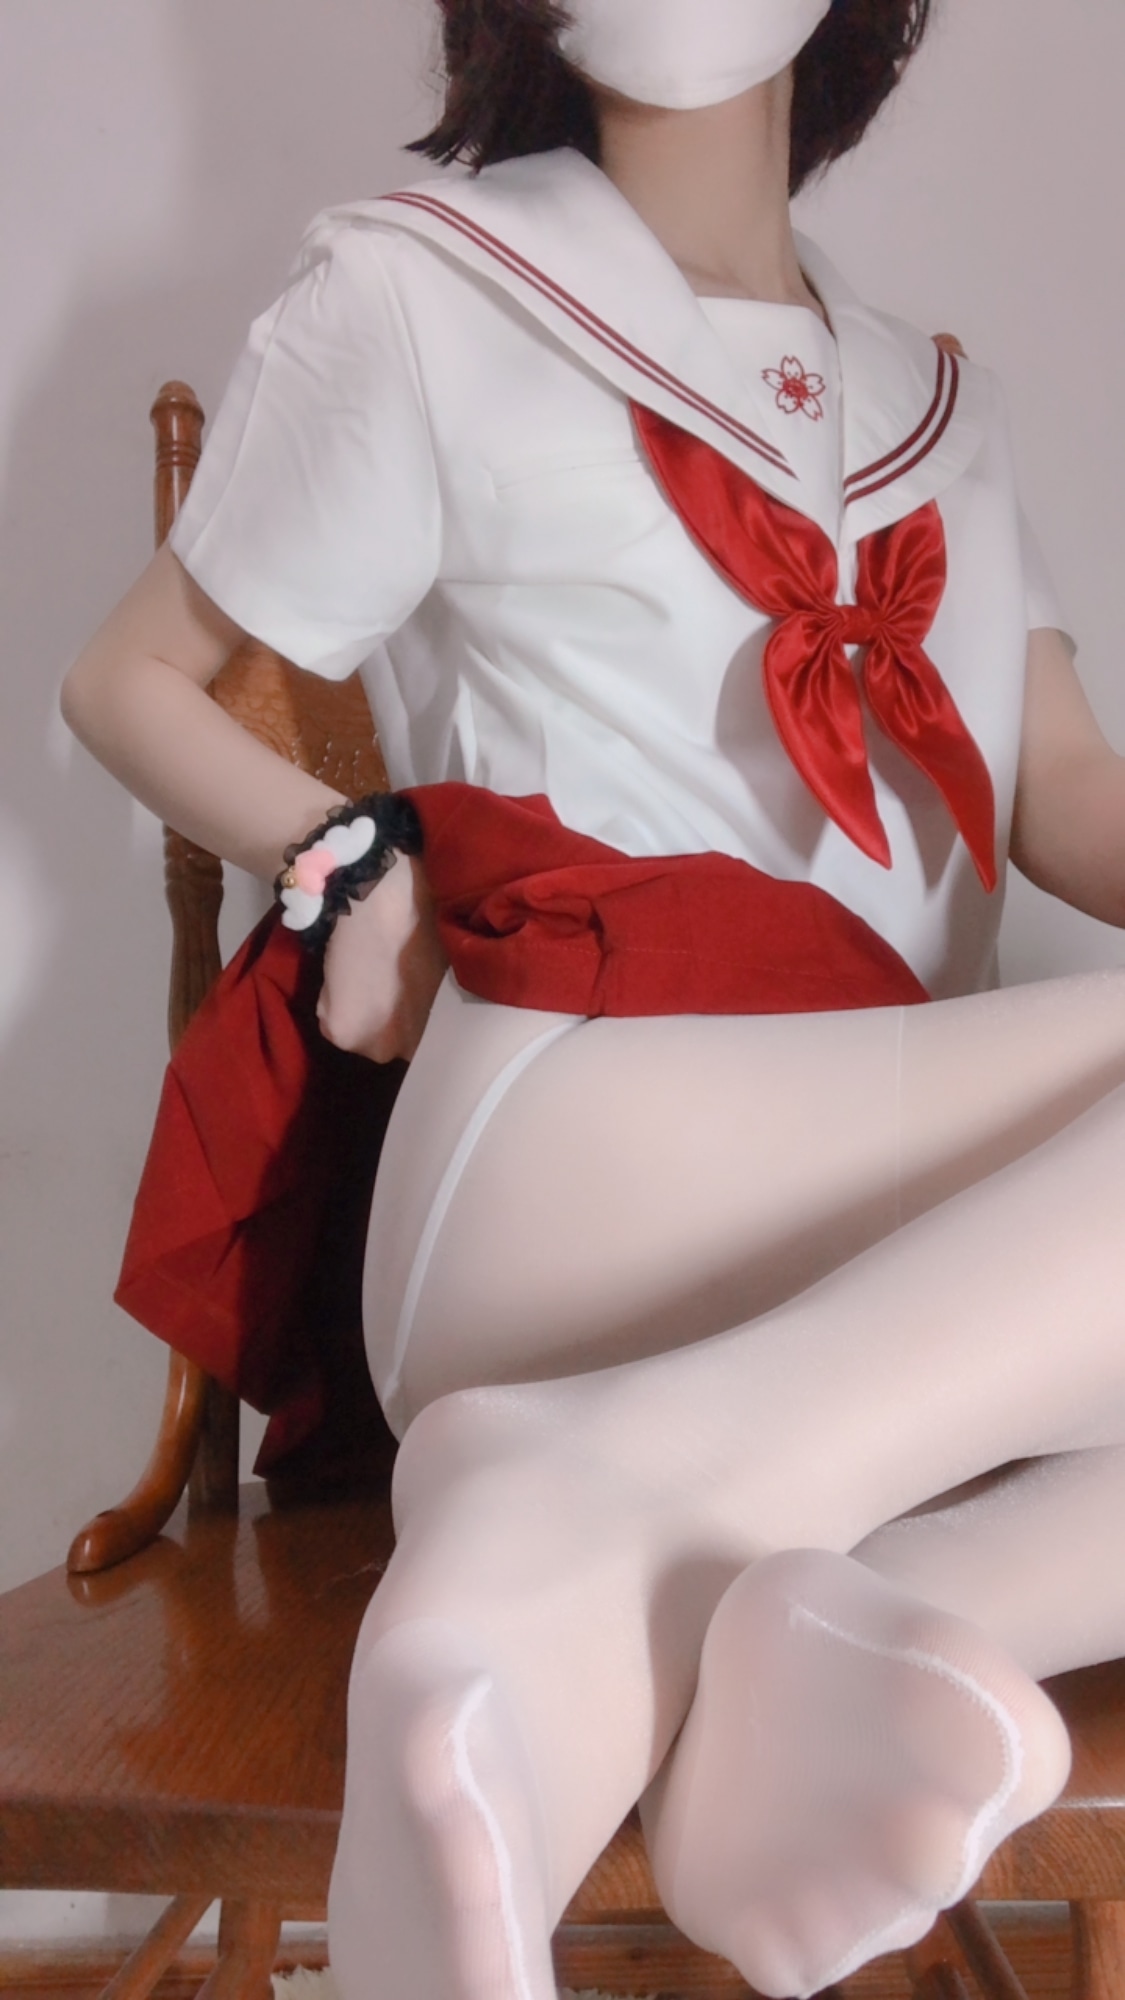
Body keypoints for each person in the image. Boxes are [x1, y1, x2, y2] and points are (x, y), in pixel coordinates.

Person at [61, 1, 1125, 1994]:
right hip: (579, 1123)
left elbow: (1059, 786)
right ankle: (657, 1508)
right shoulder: (426, 288)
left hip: (879, 1231)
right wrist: (344, 857)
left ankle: (659, 1634)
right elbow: (126, 680)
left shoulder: (933, 401)